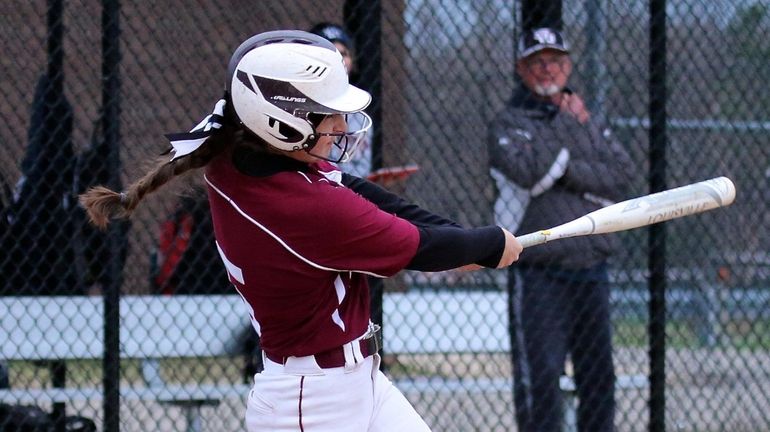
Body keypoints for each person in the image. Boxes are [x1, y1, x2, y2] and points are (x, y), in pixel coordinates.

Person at [80, 30, 522, 432]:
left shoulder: (242, 154)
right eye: (327, 114)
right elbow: (420, 247)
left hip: (357, 382)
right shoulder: (302, 207)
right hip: (313, 402)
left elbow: (369, 194)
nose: (341, 126)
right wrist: (487, 243)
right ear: (280, 121)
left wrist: (470, 239)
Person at [488, 27, 633, 432]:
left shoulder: (591, 119)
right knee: (543, 381)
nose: (547, 68)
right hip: (538, 272)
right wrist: (570, 134)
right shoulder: (508, 123)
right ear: (522, 69)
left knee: (599, 377)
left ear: (568, 66)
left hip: (591, 267)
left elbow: (621, 176)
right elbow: (531, 174)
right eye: (537, 61)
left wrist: (566, 169)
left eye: (555, 61)